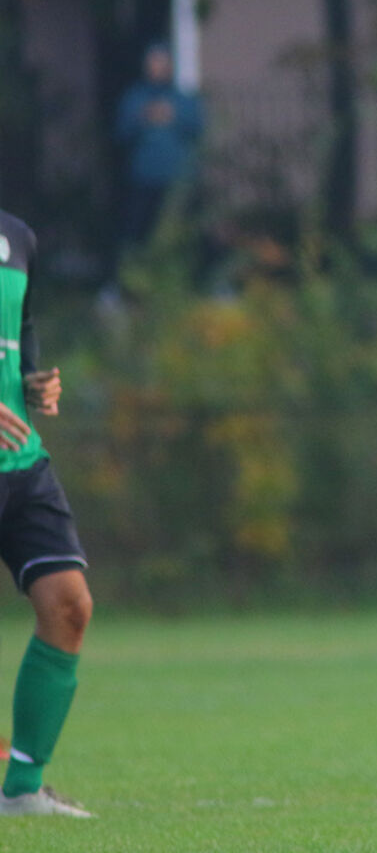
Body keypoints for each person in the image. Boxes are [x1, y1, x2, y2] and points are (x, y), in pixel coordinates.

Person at [0, 209, 95, 818]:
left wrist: (33, 381)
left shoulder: (16, 236)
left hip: (20, 462)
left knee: (69, 605)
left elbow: (22, 326)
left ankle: (21, 791)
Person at [114, 43, 204, 250]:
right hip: (143, 176)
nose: (157, 69)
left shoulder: (183, 99)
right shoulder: (134, 98)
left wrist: (174, 116)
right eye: (153, 64)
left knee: (187, 229)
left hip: (178, 178)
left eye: (162, 64)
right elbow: (121, 132)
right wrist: (143, 118)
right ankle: (126, 277)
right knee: (135, 230)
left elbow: (198, 127)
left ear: (170, 67)